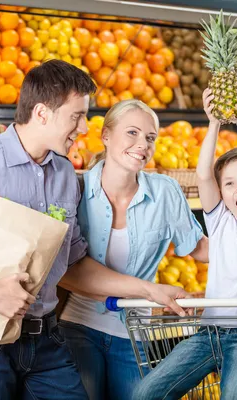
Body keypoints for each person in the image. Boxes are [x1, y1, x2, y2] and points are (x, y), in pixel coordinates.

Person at [0, 60, 188, 400]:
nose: (84, 128)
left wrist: (148, 291)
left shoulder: (65, 174)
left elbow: (74, 263)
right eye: (76, 116)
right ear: (41, 113)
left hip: (47, 340)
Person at [133, 78, 237, 400]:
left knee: (233, 395)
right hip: (209, 332)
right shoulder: (219, 222)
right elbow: (203, 174)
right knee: (146, 393)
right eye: (230, 183)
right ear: (222, 193)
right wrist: (214, 122)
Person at [58, 99, 209, 400]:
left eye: (150, 138)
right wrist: (150, 291)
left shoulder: (164, 191)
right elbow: (63, 271)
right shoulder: (75, 189)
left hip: (134, 333)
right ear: (105, 136)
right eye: (132, 133)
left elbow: (200, 248)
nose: (143, 144)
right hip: (78, 326)